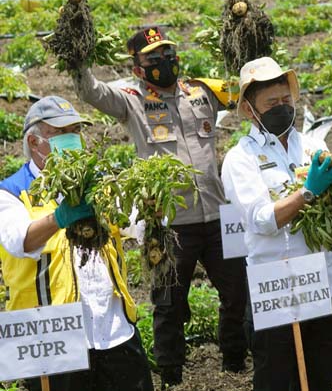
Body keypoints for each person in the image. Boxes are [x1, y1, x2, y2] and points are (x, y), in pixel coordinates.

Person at [72, 26, 248, 386]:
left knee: (237, 291)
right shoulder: (131, 100)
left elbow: (246, 87)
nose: (164, 61)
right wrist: (78, 54)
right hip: (167, 223)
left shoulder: (201, 92)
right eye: (153, 57)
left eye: (168, 53)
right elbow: (90, 91)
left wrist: (243, 38)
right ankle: (172, 374)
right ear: (137, 66)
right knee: (168, 303)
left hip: (217, 215)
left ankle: (234, 361)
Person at [0, 96, 153, 391]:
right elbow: (19, 240)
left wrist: (151, 210)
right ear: (34, 142)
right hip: (54, 337)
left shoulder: (98, 183)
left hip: (114, 329)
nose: (73, 139)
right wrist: (59, 218)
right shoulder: (12, 192)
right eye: (61, 133)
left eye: (76, 131)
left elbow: (135, 223)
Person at [221, 57, 332, 391]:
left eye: (286, 100)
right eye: (271, 103)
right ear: (249, 110)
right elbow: (262, 220)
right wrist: (307, 193)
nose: (282, 108)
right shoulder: (240, 159)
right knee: (275, 379)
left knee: (320, 378)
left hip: (323, 281)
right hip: (275, 288)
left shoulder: (313, 146)